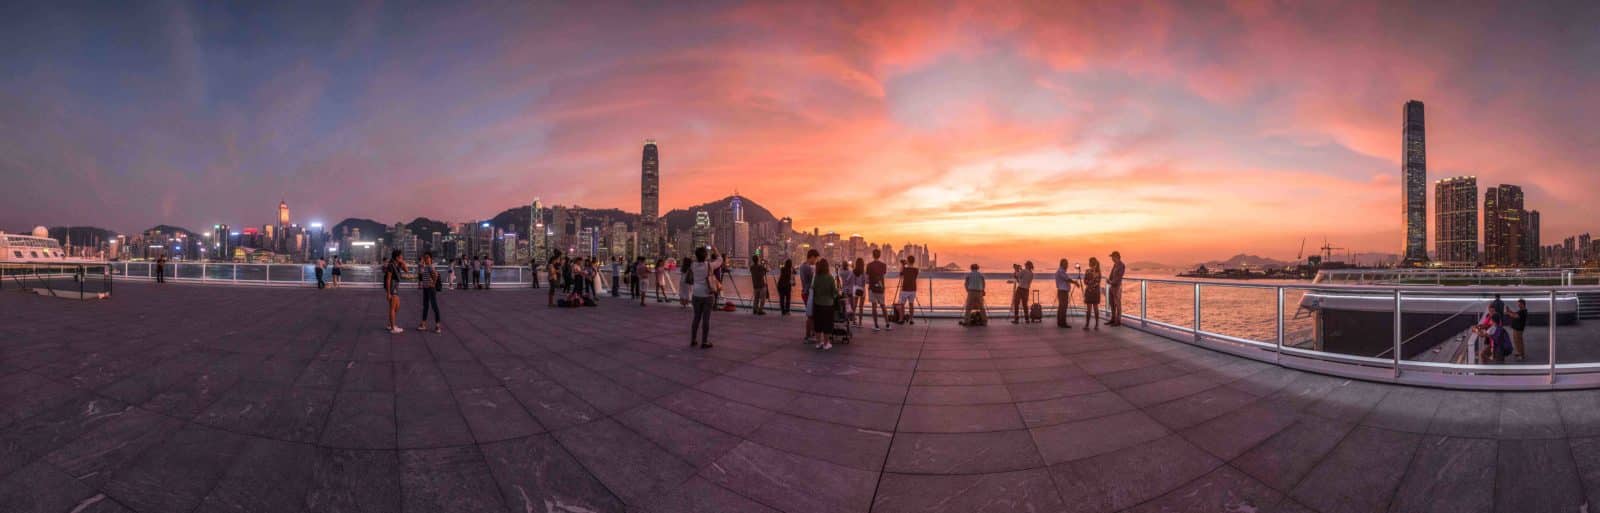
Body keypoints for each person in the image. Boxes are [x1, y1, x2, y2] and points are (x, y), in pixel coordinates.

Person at [687, 247, 723, 348]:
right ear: (706, 256)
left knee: (696, 318)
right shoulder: (709, 265)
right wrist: (715, 249)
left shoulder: (692, 265)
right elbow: (720, 259)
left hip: (696, 294)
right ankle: (704, 341)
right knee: (706, 319)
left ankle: (693, 339)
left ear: (696, 256)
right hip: (707, 295)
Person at [810, 258, 839, 350]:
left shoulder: (817, 277)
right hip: (828, 305)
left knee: (818, 324)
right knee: (827, 324)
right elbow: (834, 292)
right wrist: (837, 293)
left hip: (817, 304)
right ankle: (826, 343)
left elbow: (813, 288)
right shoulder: (830, 278)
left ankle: (818, 343)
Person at [416, 251, 442, 333]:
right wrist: (422, 262)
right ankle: (423, 324)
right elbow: (420, 271)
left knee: (434, 306)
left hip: (430, 289)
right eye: (425, 257)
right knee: (425, 306)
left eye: (427, 257)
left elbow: (436, 275)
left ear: (431, 259)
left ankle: (438, 326)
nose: (426, 259)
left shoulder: (430, 266)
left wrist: (433, 283)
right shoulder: (425, 267)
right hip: (425, 288)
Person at [382, 250, 407, 334]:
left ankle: (391, 324)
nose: (402, 258)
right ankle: (393, 328)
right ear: (396, 257)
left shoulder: (398, 264)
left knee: (397, 306)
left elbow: (406, 270)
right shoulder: (391, 265)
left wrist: (402, 262)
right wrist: (388, 293)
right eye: (401, 257)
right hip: (392, 287)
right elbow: (388, 279)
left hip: (396, 287)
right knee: (393, 307)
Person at [865, 250, 889, 331]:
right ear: (879, 255)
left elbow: (867, 278)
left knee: (874, 307)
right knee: (883, 306)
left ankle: (876, 325)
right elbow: (883, 274)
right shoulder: (883, 265)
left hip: (872, 288)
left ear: (873, 255)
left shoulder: (869, 265)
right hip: (880, 288)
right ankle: (887, 324)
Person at [799, 249, 819, 342]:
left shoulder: (802, 266)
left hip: (804, 291)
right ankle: (808, 336)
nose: (815, 261)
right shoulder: (807, 267)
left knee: (810, 315)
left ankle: (811, 334)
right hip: (808, 293)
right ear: (812, 257)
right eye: (815, 259)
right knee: (810, 315)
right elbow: (812, 281)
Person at [1054, 258, 1080, 328]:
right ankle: (1063, 323)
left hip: (1062, 291)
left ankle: (1060, 322)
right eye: (1066, 264)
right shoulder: (1061, 271)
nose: (1067, 265)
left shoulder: (1061, 271)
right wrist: (1075, 283)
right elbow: (1067, 279)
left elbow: (1066, 279)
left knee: (1061, 307)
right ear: (1062, 264)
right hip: (1063, 292)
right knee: (1063, 307)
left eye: (1067, 263)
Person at [1082, 257, 1103, 330]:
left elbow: (1096, 282)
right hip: (1092, 291)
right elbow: (1085, 281)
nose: (1089, 263)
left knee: (1093, 308)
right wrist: (1090, 285)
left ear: (1091, 263)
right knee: (1091, 309)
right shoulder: (1089, 271)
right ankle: (1091, 325)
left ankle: (1092, 325)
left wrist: (1090, 286)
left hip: (1092, 291)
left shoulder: (1097, 272)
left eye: (1090, 262)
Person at [898, 256, 920, 325]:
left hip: (905, 289)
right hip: (913, 289)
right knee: (911, 305)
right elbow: (915, 277)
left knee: (902, 305)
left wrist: (903, 265)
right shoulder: (916, 270)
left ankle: (901, 319)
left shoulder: (905, 269)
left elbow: (900, 275)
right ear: (913, 261)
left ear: (908, 261)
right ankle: (911, 319)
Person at [1107, 251, 1126, 326]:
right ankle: (1113, 319)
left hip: (1117, 287)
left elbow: (1119, 277)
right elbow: (1111, 275)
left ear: (1117, 257)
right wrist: (1109, 280)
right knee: (1111, 303)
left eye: (1112, 257)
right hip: (1112, 286)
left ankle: (1118, 321)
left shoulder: (1122, 265)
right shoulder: (1115, 265)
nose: (1112, 258)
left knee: (1117, 304)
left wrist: (1111, 282)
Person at [849, 258, 867, 327]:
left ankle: (853, 321)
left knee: (854, 306)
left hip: (855, 289)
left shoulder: (853, 271)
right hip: (862, 289)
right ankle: (860, 323)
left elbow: (850, 280)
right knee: (861, 307)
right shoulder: (863, 272)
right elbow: (864, 281)